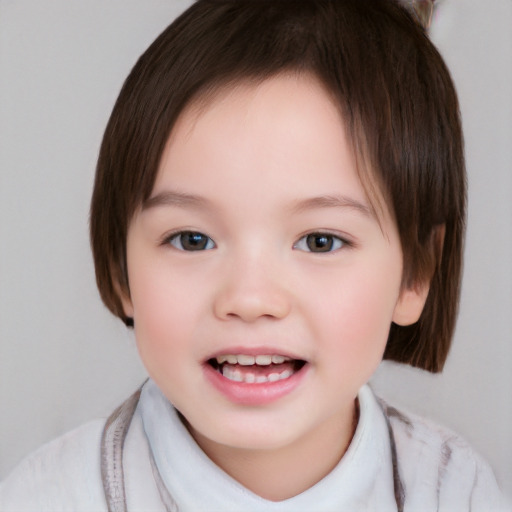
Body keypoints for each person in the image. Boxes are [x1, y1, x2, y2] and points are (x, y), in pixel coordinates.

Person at [1, 0, 508, 510]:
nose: (249, 298)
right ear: (119, 268)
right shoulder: (53, 496)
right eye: (192, 240)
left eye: (320, 241)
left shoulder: (453, 491)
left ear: (415, 274)